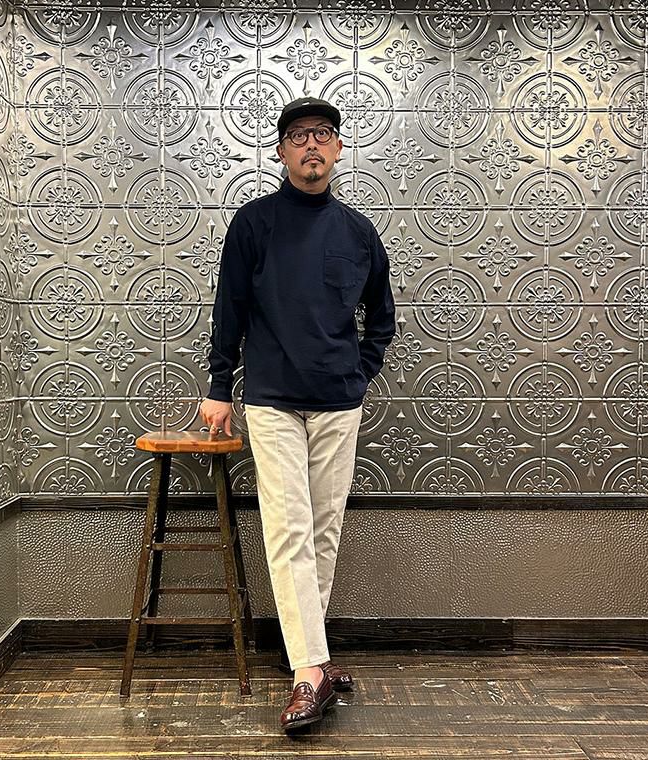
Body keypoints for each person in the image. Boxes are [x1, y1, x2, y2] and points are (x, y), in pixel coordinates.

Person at [199, 96, 395, 732]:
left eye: (323, 134)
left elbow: (382, 319)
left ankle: (310, 659)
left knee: (324, 531)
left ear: (337, 149)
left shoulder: (359, 233)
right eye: (299, 135)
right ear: (282, 151)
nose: (312, 144)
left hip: (339, 402)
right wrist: (219, 385)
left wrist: (359, 373)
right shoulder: (253, 223)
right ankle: (310, 673)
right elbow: (229, 308)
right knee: (288, 531)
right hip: (272, 400)